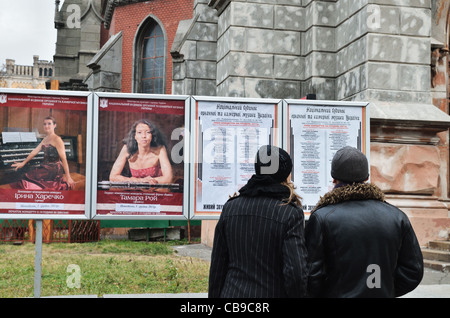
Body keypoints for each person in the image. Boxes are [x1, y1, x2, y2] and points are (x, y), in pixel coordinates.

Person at [305, 146, 424, 298]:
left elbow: (312, 274)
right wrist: (387, 289)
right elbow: (413, 270)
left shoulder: (322, 217)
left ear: (334, 178)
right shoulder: (397, 216)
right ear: (367, 177)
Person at [208, 145, 307, 298]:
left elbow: (217, 267)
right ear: (285, 175)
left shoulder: (231, 208)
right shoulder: (290, 213)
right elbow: (296, 273)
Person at [12, 116, 76, 190]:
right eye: (44, 124)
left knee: (26, 178)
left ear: (54, 125)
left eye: (49, 124)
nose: (46, 126)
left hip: (53, 169)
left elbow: (64, 159)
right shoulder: (45, 138)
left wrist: (68, 177)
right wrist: (23, 162)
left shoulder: (57, 139)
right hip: (45, 167)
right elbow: (34, 151)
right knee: (25, 176)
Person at [109, 119, 173, 185]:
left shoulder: (160, 149)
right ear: (135, 136)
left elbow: (168, 178)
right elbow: (113, 177)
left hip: (156, 190)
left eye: (148, 132)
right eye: (139, 132)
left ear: (152, 135)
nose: (144, 136)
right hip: (136, 190)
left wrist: (143, 182)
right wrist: (140, 181)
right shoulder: (126, 149)